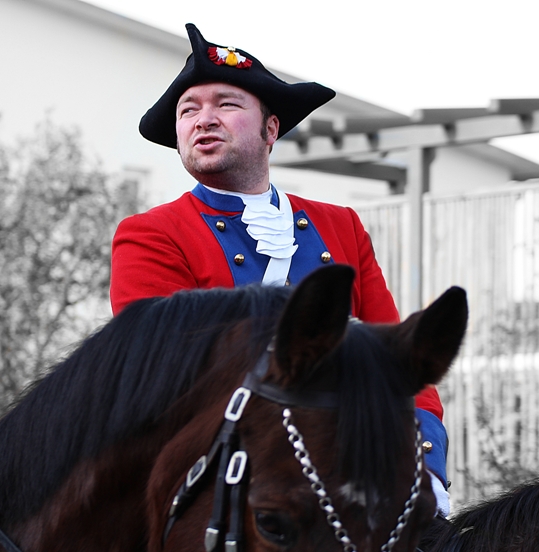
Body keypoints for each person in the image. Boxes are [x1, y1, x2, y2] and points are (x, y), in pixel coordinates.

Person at [110, 24, 451, 515]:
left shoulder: (343, 225)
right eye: (189, 110)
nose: (204, 119)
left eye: (226, 104)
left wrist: (424, 463)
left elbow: (398, 364)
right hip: (221, 485)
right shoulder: (150, 234)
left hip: (357, 473)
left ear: (271, 130)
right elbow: (166, 381)